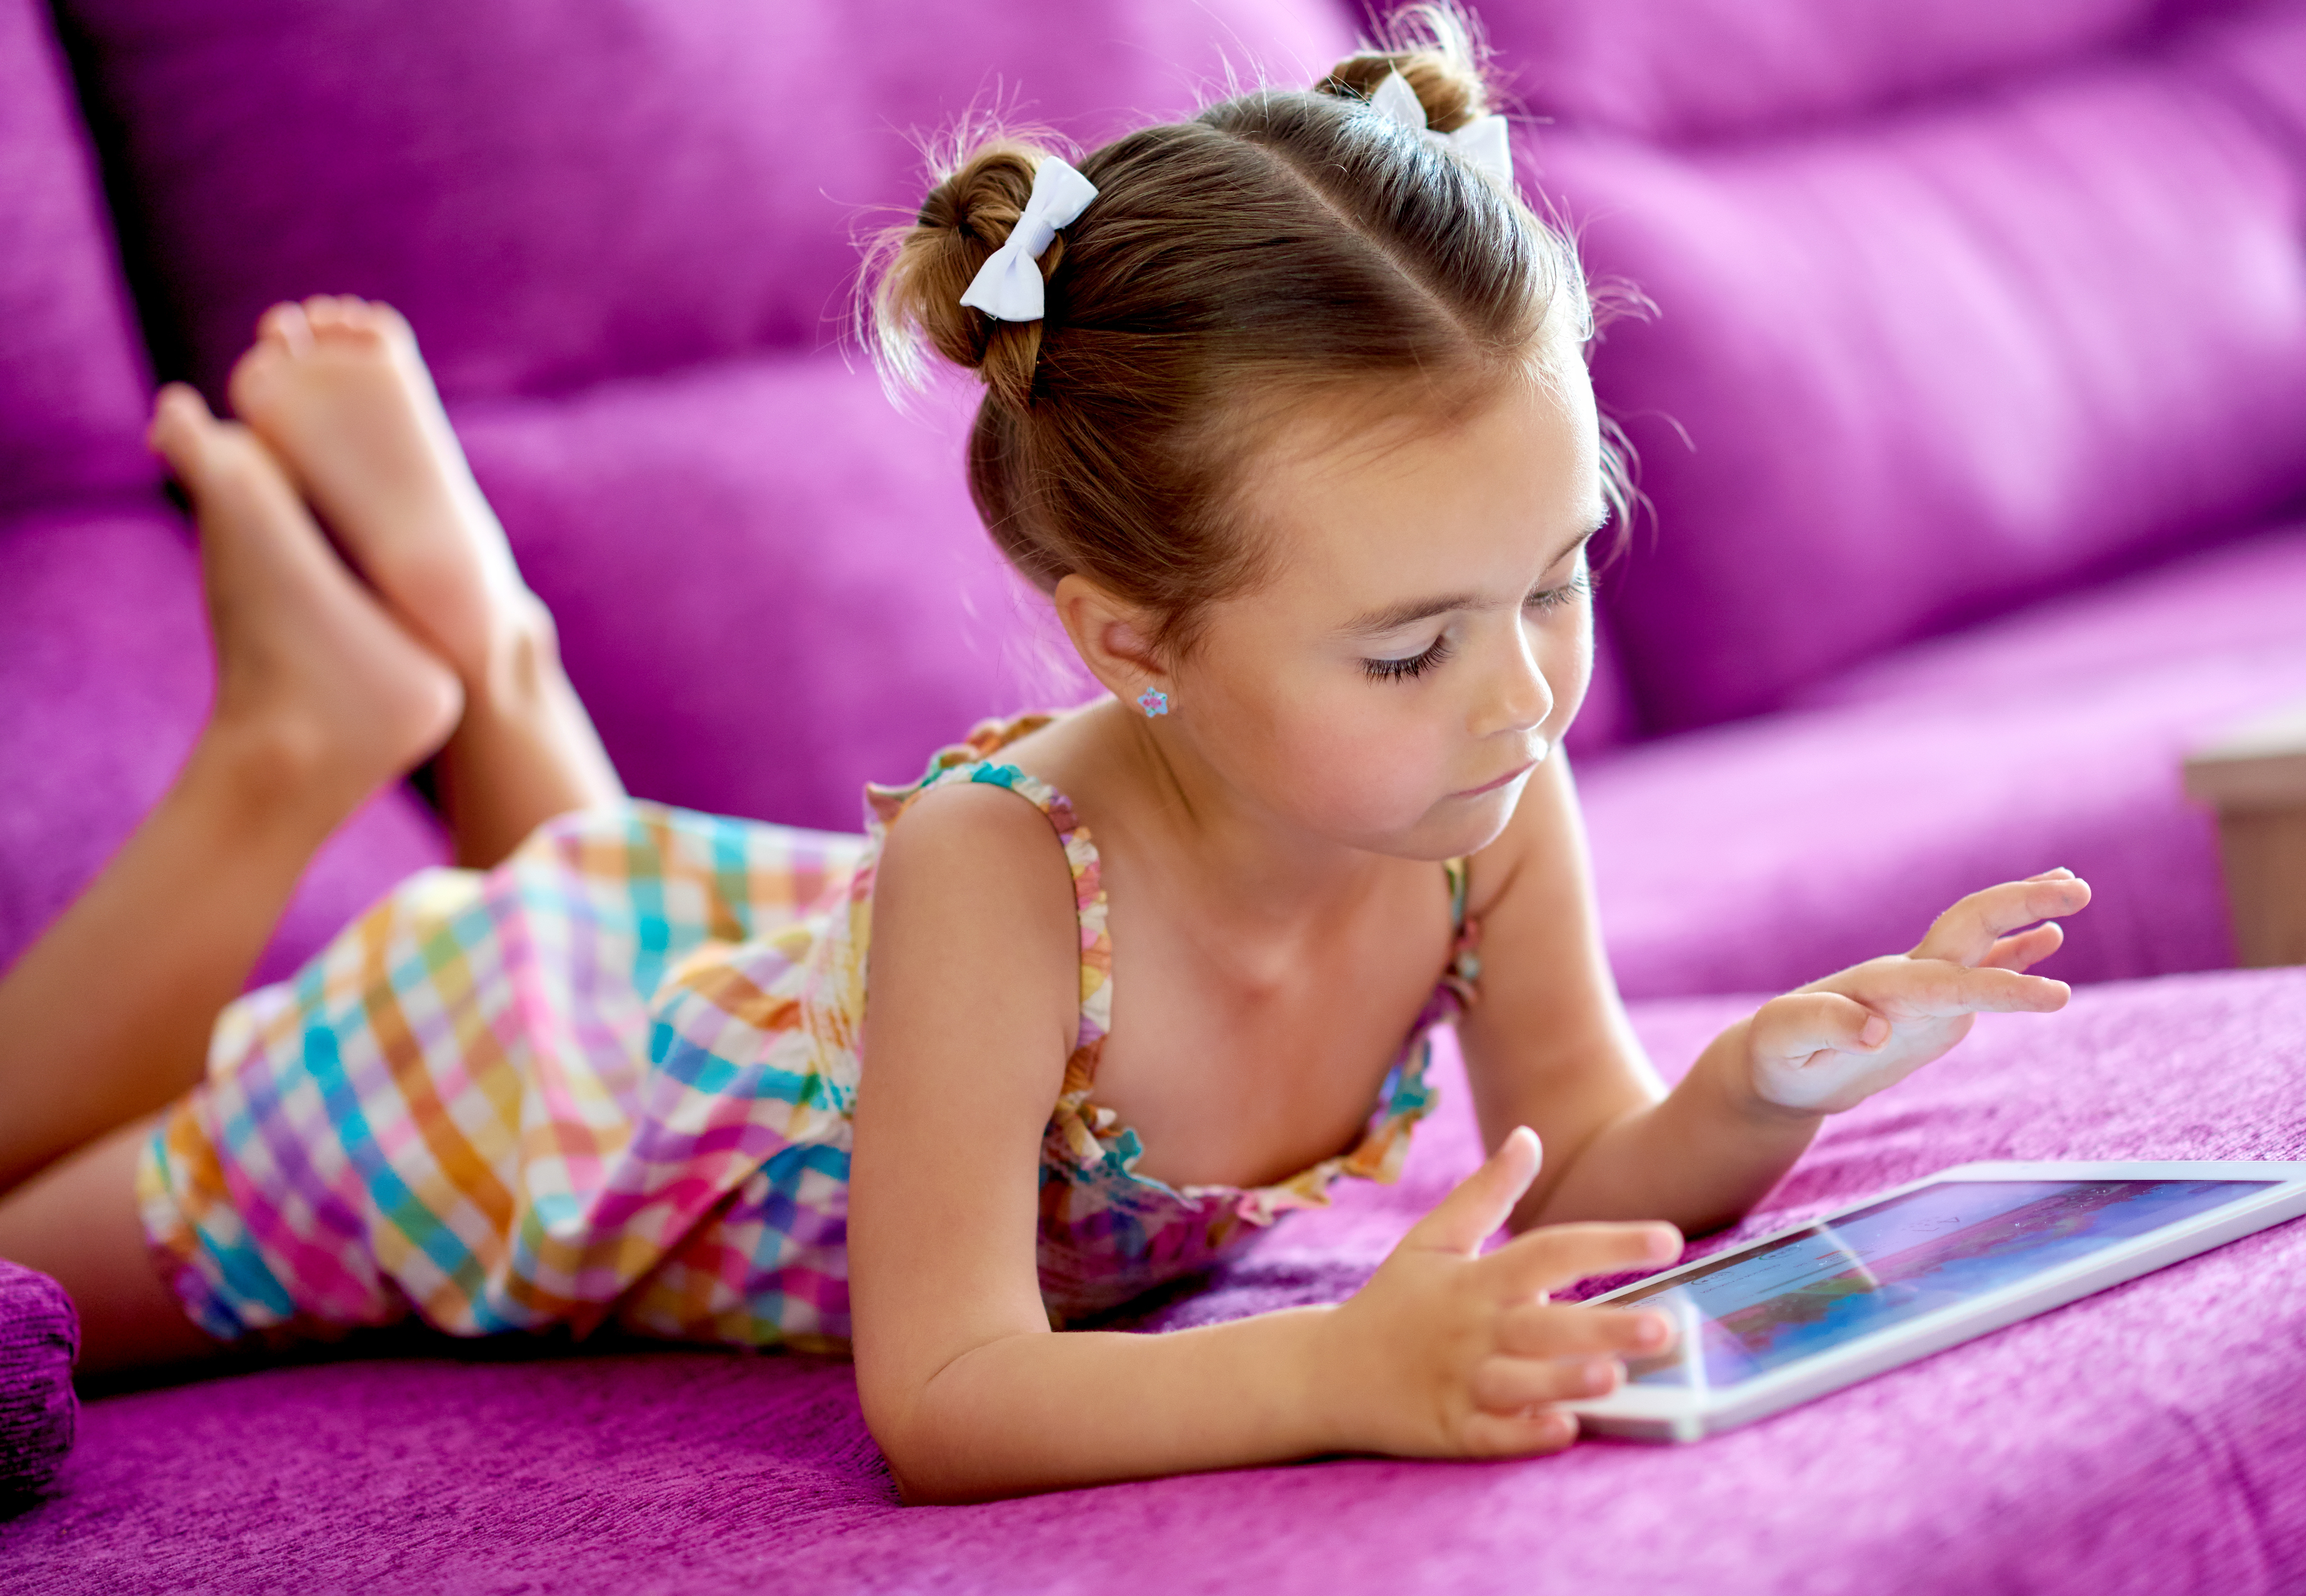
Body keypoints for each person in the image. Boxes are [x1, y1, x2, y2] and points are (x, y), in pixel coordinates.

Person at [0, 8, 2088, 1503]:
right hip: (494, 1084)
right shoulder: (1000, 871)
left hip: (722, 983)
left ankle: (483, 645)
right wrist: (1332, 1369)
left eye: (1556, 578)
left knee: (622, 903)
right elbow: (951, 1389)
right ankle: (298, 744)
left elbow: (1600, 1159)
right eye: (1406, 644)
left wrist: (1766, 1080)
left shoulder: (1482, 798)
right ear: (1128, 639)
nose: (1520, 694)